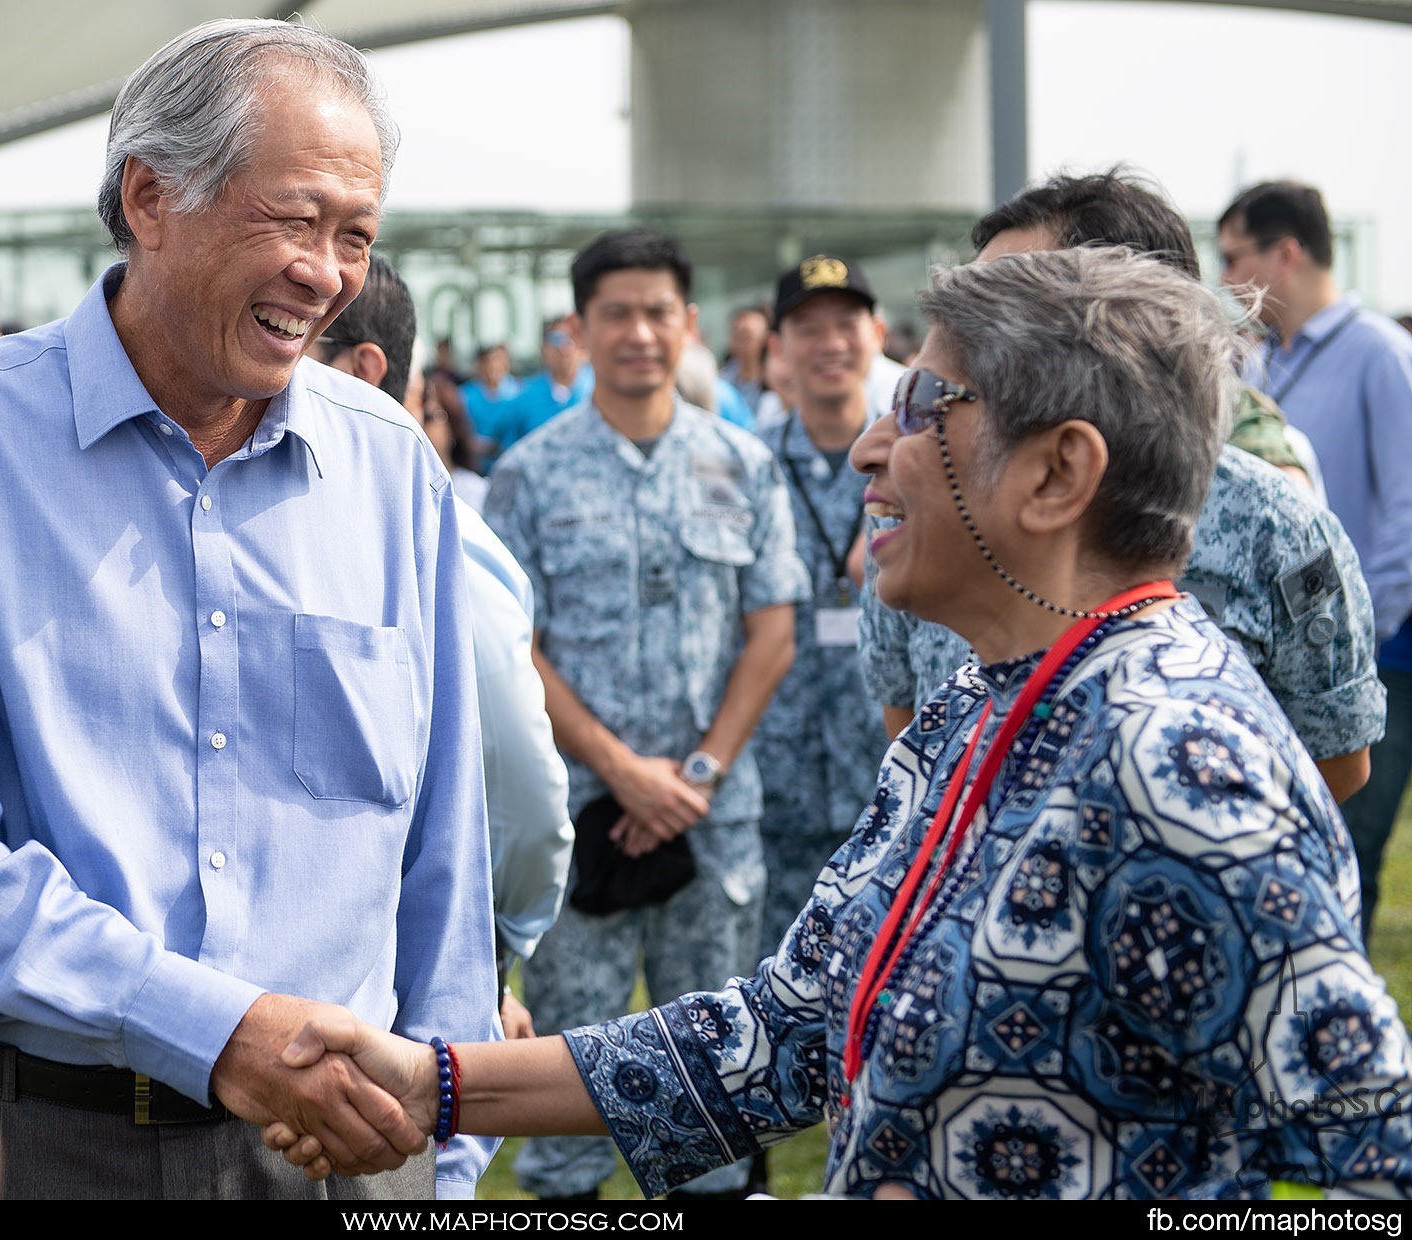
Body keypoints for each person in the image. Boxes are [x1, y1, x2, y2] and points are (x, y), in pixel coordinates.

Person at [266, 247, 1412, 1201]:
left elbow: (1371, 1153)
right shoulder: (975, 705)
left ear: (1059, 473)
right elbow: (790, 1030)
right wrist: (436, 1082)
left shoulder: (1180, 762)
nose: (871, 445)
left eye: (919, 406)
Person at [0, 18, 495, 1200]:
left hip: (346, 1160)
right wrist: (216, 1030)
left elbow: (445, 840)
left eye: (355, 235)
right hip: (48, 1144)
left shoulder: (390, 468)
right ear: (149, 196)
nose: (327, 273)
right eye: (293, 220)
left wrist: (448, 1148)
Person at [862, 170, 1382, 814]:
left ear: (1138, 330)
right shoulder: (920, 504)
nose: (978, 329)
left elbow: (1332, 759)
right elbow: (908, 718)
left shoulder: (1275, 524)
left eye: (1016, 301)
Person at [483, 229, 808, 1199]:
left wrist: (696, 772)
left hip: (713, 822)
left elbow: (773, 632)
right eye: (615, 313)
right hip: (585, 814)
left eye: (657, 312)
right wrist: (622, 768)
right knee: (573, 1071)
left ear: (689, 324)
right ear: (581, 329)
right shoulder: (528, 474)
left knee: (715, 1084)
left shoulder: (744, 464)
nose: (638, 332)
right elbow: (512, 649)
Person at [315, 256, 573, 1043]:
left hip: (396, 1003)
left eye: (291, 339)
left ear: (362, 369)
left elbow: (519, 781)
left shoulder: (434, 538)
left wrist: (489, 948)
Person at [1221, 179, 1412, 942]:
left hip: (1377, 658)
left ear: (1286, 255)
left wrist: (1356, 638)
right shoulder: (1259, 364)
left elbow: (1407, 511)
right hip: (1279, 664)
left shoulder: (1380, 353)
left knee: (1346, 853)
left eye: (1235, 258)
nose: (1226, 278)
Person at [751, 255, 888, 965]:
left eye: (846, 324)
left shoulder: (918, 463)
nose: (830, 343)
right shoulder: (748, 467)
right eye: (808, 328)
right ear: (777, 348)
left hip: (891, 782)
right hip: (778, 785)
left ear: (878, 335)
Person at [500, 317, 590, 450]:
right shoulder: (524, 400)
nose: (565, 347)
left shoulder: (602, 393)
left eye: (572, 338)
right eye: (556, 339)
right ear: (543, 348)